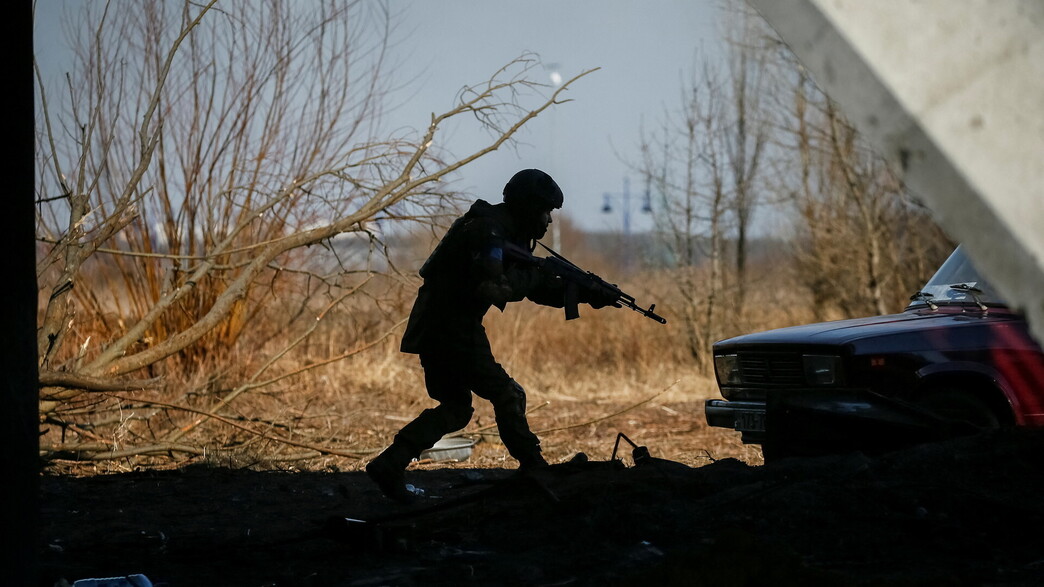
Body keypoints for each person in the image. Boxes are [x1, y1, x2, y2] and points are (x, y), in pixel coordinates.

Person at [366, 169, 615, 503]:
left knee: (456, 408)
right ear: (527, 207)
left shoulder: (497, 230)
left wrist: (585, 293)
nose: (548, 222)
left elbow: (529, 286)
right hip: (452, 327)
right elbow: (496, 286)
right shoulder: (489, 232)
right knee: (508, 394)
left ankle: (389, 464)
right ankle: (533, 465)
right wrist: (541, 278)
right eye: (545, 212)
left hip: (438, 325)